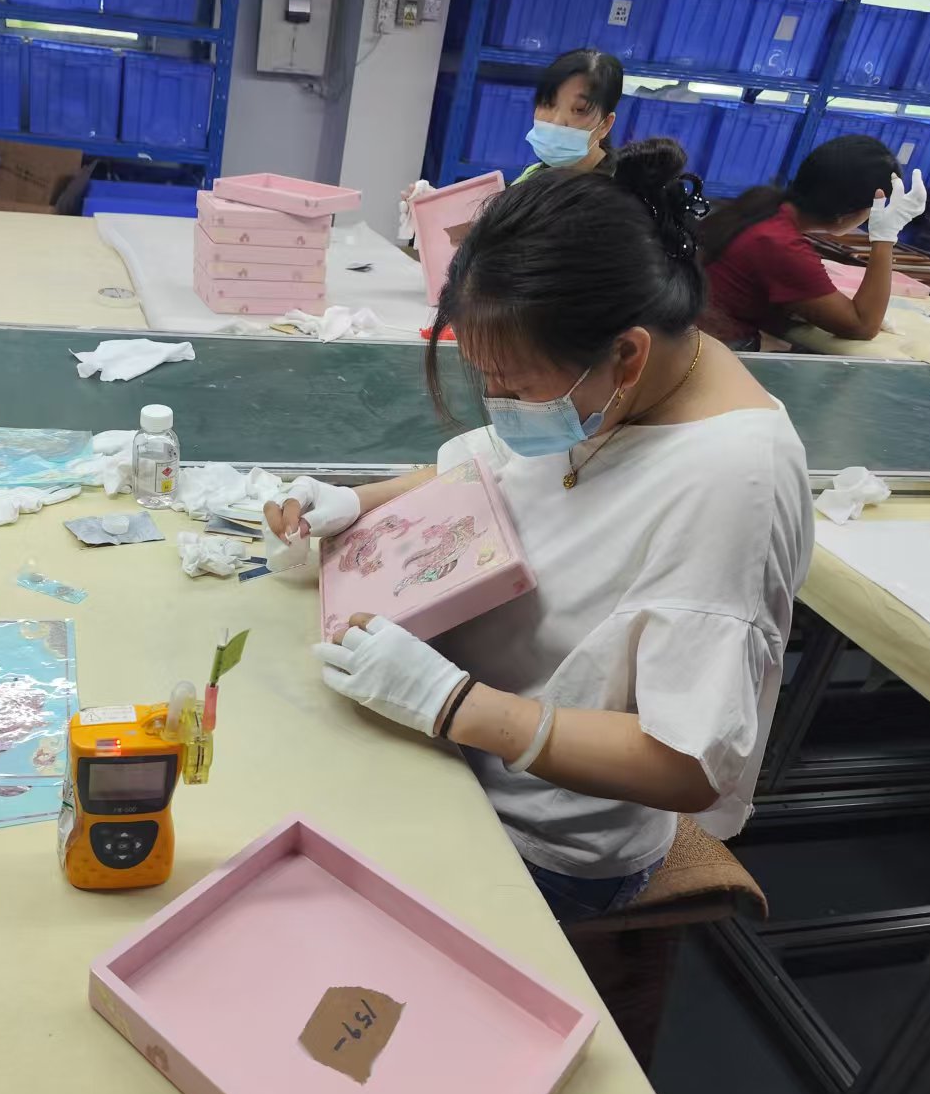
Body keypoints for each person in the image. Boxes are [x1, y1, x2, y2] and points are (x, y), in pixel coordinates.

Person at [266, 140, 813, 922]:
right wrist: (357, 503)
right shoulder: (625, 379)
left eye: (515, 386)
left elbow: (689, 764)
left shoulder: (733, 482)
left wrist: (454, 703)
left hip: (542, 835)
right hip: (445, 737)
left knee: (291, 905)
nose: (501, 406)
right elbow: (497, 468)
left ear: (626, 355)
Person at [699, 135, 927, 349]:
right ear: (847, 211)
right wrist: (884, 238)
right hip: (709, 350)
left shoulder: (763, 207)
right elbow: (862, 325)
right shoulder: (781, 244)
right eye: (872, 209)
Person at [516, 48, 624, 181]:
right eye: (548, 103)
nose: (557, 121)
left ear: (605, 125)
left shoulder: (618, 190)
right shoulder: (532, 175)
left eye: (579, 110)